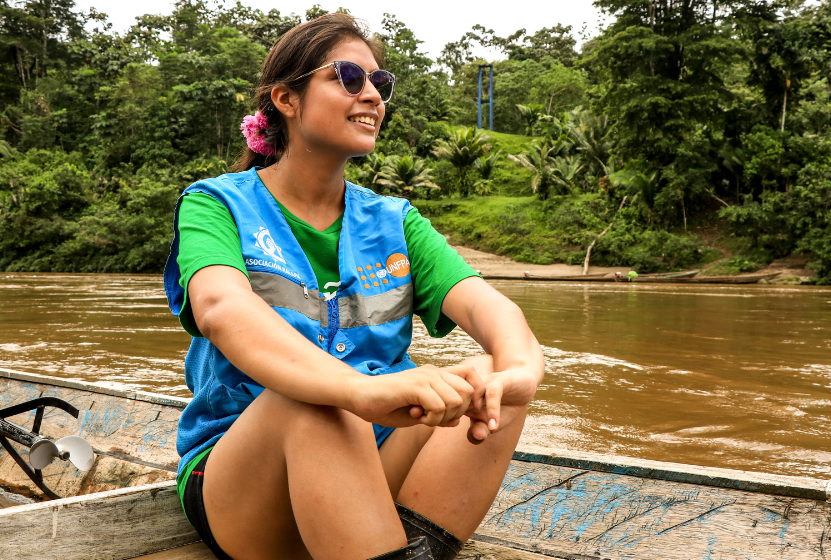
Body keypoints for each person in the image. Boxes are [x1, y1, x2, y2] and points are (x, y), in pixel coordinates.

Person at [162, 14, 544, 560]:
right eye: (348, 77)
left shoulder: (395, 220)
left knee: (487, 375)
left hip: (371, 466)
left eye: (380, 83)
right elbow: (222, 308)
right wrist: (361, 392)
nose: (372, 96)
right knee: (314, 404)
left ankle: (408, 551)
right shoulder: (216, 203)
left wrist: (522, 372)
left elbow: (493, 310)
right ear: (286, 100)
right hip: (247, 487)